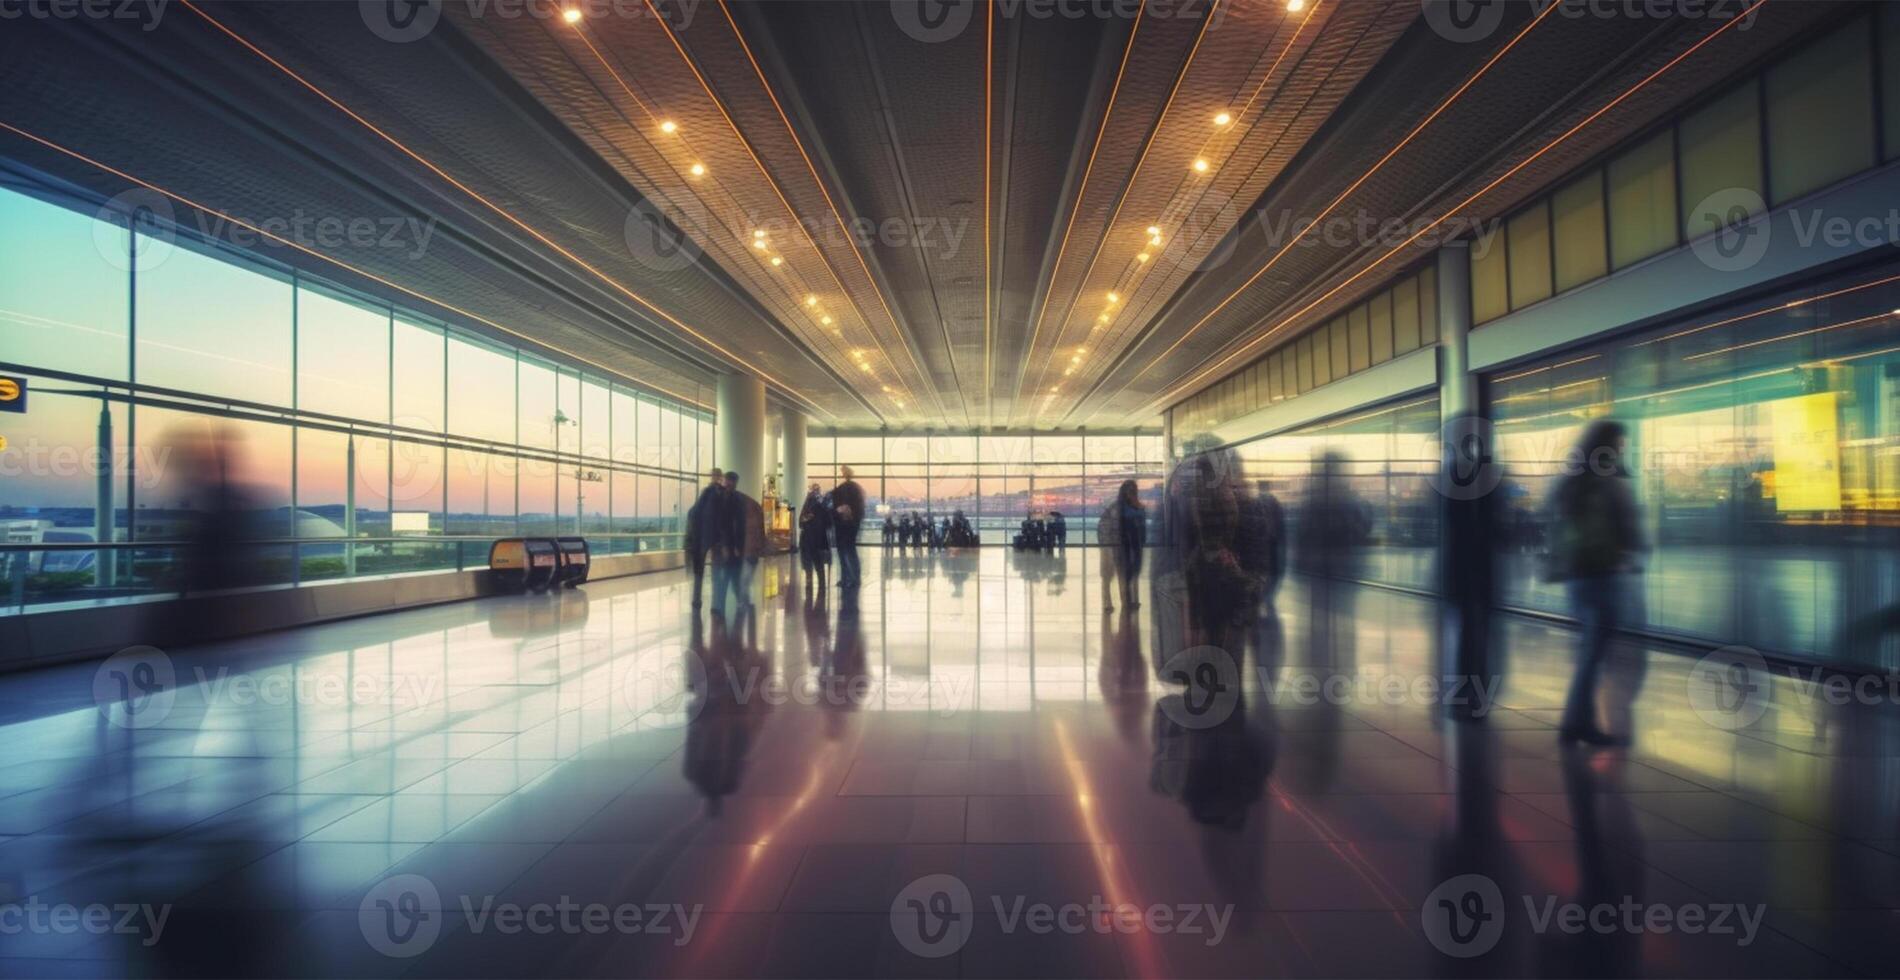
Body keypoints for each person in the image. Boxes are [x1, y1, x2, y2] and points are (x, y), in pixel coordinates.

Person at [1548, 420, 1644, 746]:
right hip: (1602, 574)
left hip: (1576, 574)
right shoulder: (1611, 480)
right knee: (1594, 651)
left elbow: (1549, 513)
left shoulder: (1572, 478)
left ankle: (1578, 721)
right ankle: (1575, 724)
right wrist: (1634, 551)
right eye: (1620, 444)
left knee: (1589, 649)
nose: (1622, 450)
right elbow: (1630, 526)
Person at [684, 466, 727, 610]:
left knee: (704, 571)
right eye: (714, 475)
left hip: (706, 537)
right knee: (710, 570)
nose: (715, 478)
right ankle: (709, 601)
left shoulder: (709, 493)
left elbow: (695, 512)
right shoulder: (715, 493)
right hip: (711, 537)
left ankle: (699, 600)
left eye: (717, 476)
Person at [726, 471, 765, 614]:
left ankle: (743, 601)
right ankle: (744, 601)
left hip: (746, 550)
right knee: (743, 578)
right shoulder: (750, 504)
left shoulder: (742, 503)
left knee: (742, 578)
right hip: (746, 550)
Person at [832, 466, 866, 588]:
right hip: (851, 524)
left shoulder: (843, 489)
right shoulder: (855, 488)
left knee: (844, 551)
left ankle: (847, 578)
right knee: (850, 550)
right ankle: (854, 578)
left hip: (843, 525)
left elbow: (836, 505)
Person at [1114, 480, 1147, 608]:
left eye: (1134, 490)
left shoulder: (1137, 506)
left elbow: (1142, 525)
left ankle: (1131, 599)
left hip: (1136, 542)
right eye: (1130, 490)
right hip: (1127, 542)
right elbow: (1122, 527)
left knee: (1135, 570)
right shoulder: (1123, 508)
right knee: (1128, 572)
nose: (1132, 493)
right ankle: (1127, 601)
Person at [797, 482, 831, 595]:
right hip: (817, 537)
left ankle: (810, 583)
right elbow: (828, 523)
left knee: (809, 562)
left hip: (808, 536)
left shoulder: (810, 503)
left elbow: (801, 522)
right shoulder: (821, 505)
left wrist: (806, 519)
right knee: (817, 562)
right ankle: (821, 584)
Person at [1097, 493, 1122, 611]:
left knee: (1107, 578)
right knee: (1108, 577)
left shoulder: (1107, 516)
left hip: (1111, 549)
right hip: (1111, 549)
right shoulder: (1113, 514)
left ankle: (1108, 603)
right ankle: (1109, 603)